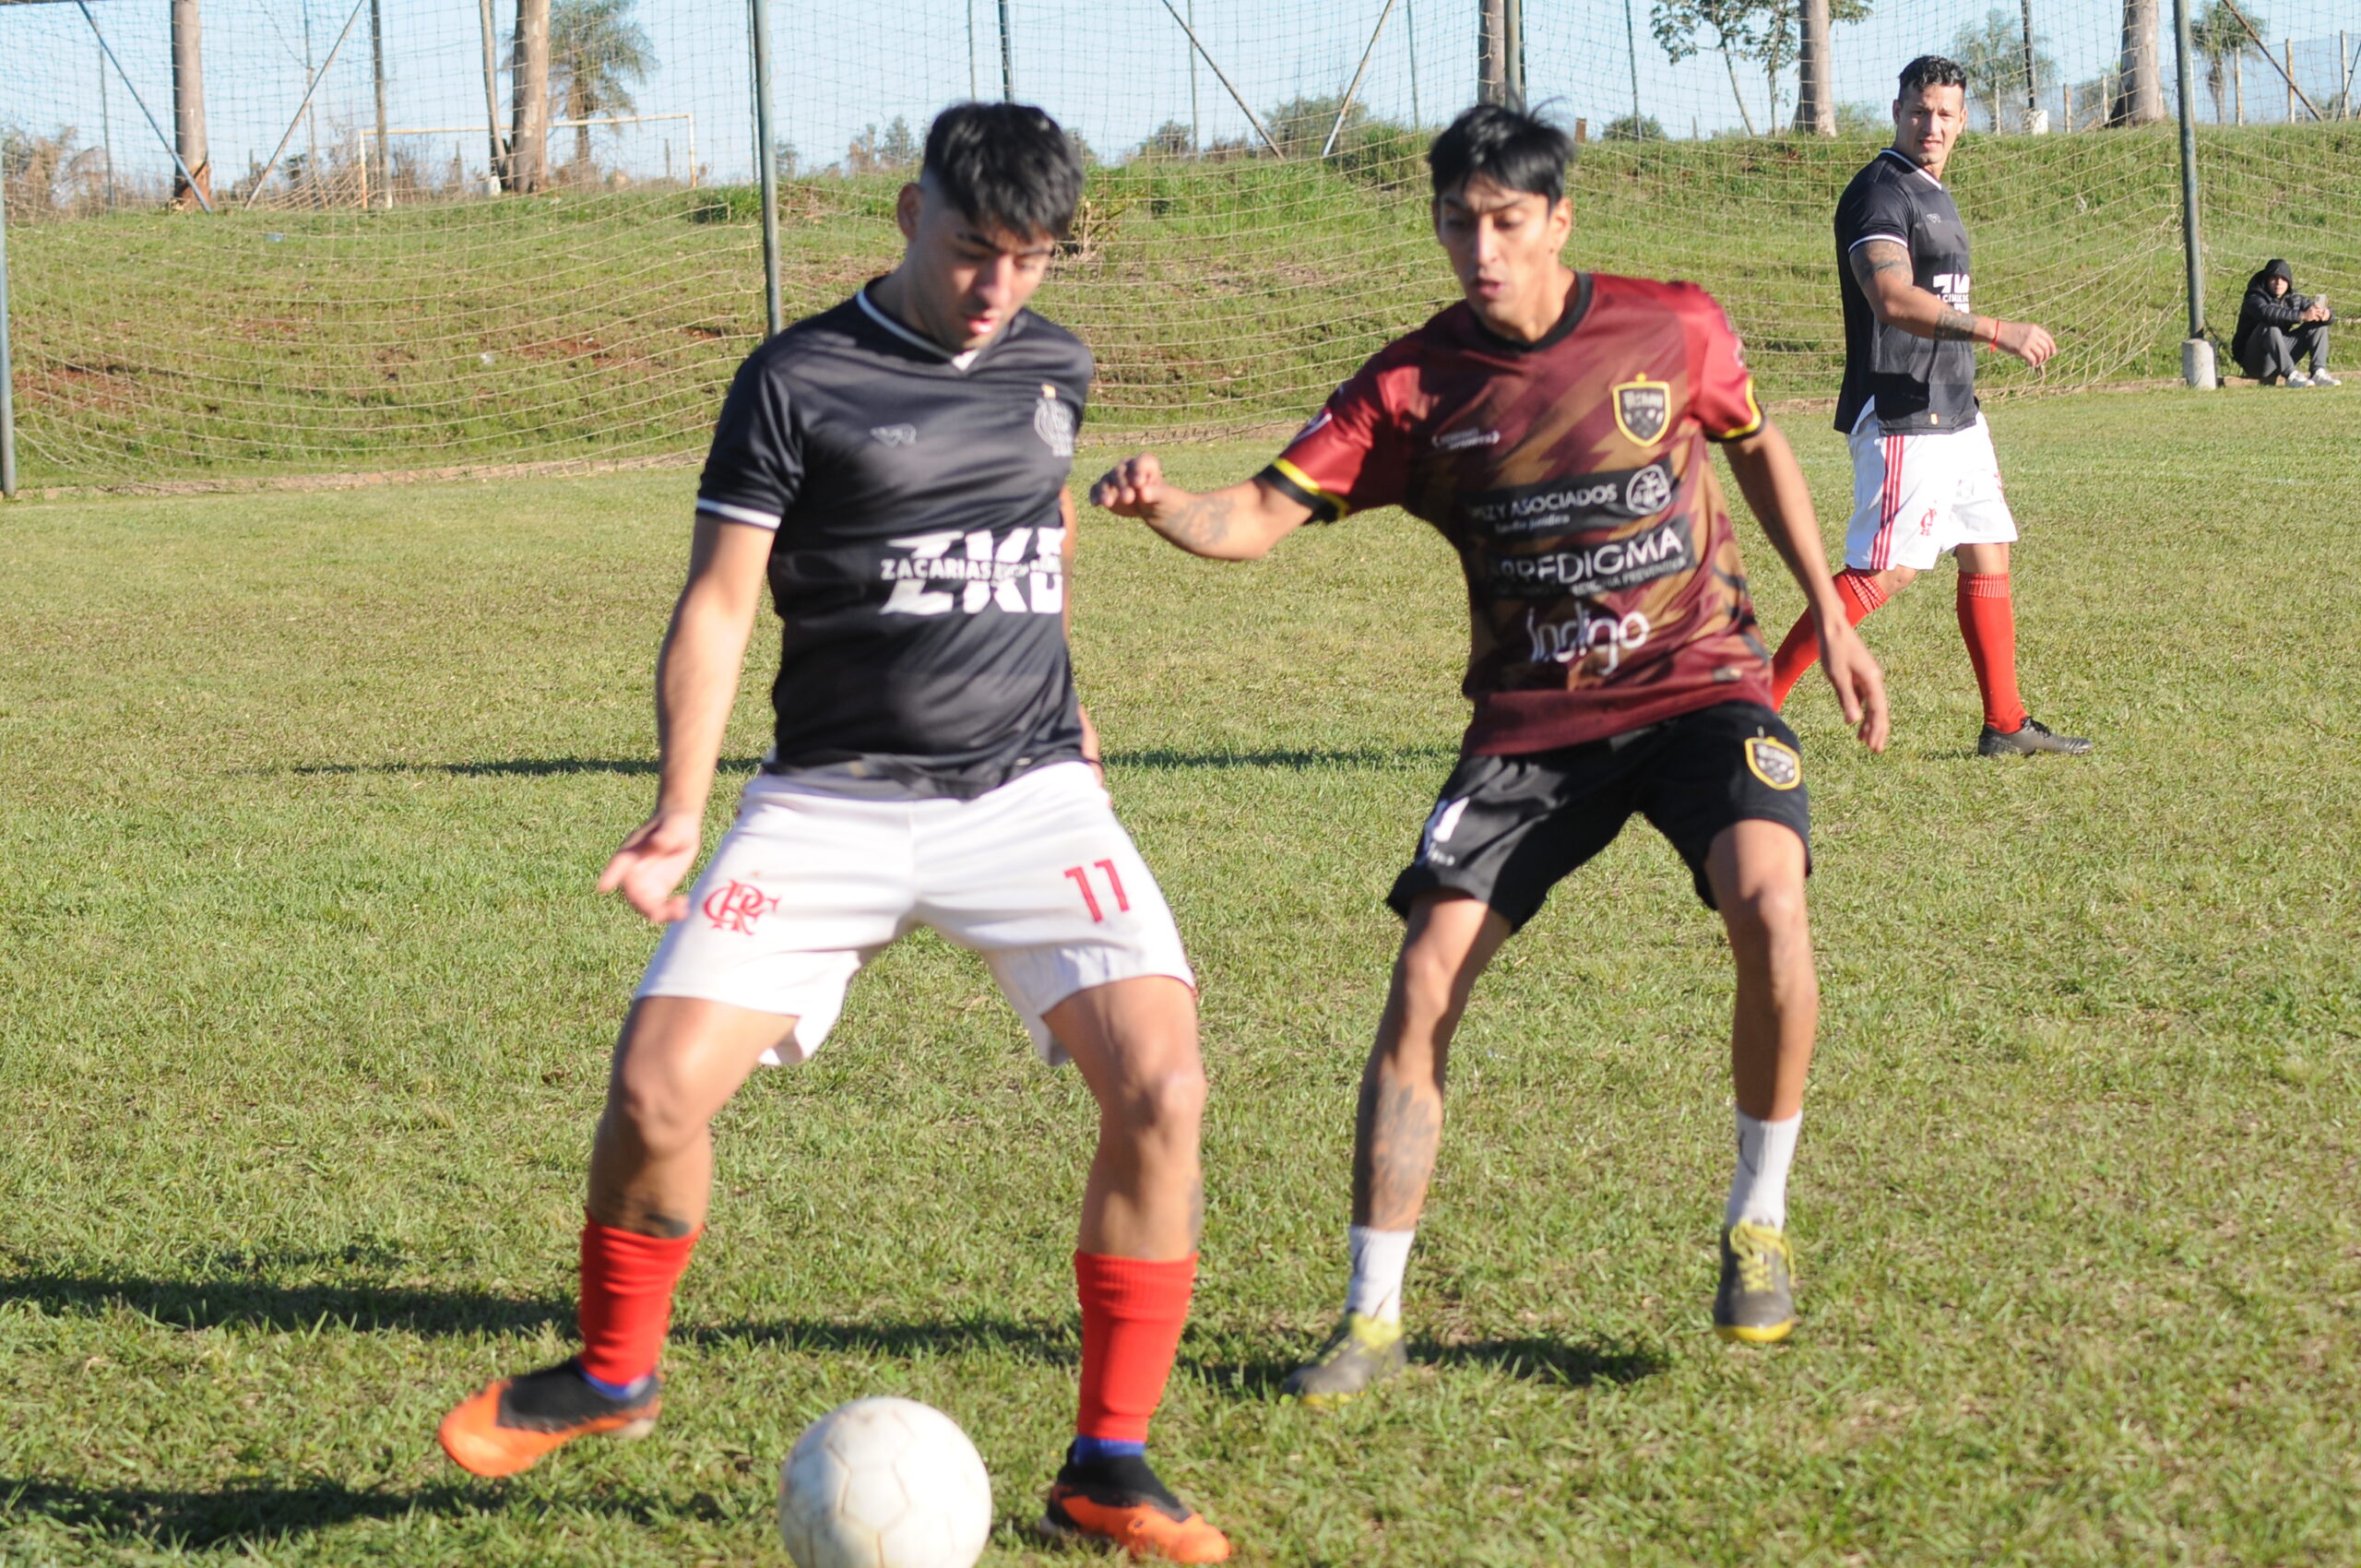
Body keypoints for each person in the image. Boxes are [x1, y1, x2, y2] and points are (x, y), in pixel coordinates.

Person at [433, 103, 1231, 1563]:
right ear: (910, 211)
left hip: (1030, 795)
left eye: (1033, 258)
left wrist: (1078, 716)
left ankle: (1109, 1464)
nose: (998, 287)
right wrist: (679, 812)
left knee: (1164, 1088)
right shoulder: (795, 379)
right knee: (655, 1094)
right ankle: (612, 1374)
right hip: (829, 798)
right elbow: (719, 601)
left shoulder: (1056, 364)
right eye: (975, 249)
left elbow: (1034, 541)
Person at [1090, 103, 1890, 1405]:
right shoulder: (1414, 386)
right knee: (1424, 980)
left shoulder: (1672, 326)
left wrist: (1832, 620)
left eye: (1507, 222)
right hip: (1530, 727)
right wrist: (1168, 505)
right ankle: (1370, 1317)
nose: (1482, 250)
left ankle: (1758, 1220)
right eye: (1457, 223)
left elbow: (1756, 446)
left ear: (1559, 220)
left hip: (1699, 687)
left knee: (1770, 903)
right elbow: (1259, 513)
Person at [1764, 54, 2094, 758]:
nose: (1931, 125)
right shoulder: (1879, 193)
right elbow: (1890, 298)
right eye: (1919, 111)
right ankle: (1750, 710)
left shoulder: (1932, 191)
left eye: (1945, 114)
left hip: (1955, 409)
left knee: (1987, 552)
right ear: (1896, 112)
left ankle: (2005, 724)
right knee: (1887, 571)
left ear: (1964, 120)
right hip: (1903, 410)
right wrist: (1996, 330)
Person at [2233, 258, 2336, 387]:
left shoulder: (2293, 298)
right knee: (2268, 327)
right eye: (2274, 278)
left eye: (2283, 279)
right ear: (2266, 280)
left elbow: (2314, 310)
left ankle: (2318, 373)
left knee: (2318, 323)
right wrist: (2302, 316)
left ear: (2289, 281)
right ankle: (2291, 376)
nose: (2278, 283)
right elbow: (2267, 313)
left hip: (2278, 357)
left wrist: (2327, 314)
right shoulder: (2254, 297)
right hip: (2256, 362)